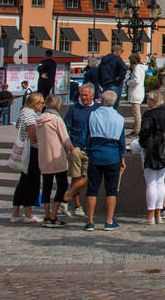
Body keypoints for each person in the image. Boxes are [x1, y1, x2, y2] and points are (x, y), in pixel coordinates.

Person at [83, 90, 126, 230]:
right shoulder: (119, 118)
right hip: (112, 155)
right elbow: (121, 141)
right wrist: (122, 158)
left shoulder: (93, 115)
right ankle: (109, 221)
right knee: (111, 190)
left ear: (101, 100)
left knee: (92, 189)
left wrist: (88, 149)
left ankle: (90, 221)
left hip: (96, 154)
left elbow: (87, 135)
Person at [138, 91, 165, 225]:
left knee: (151, 182)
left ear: (152, 101)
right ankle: (158, 214)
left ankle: (151, 214)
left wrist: (145, 143)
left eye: (148, 99)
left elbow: (144, 130)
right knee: (160, 181)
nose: (147, 102)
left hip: (152, 150)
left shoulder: (149, 114)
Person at [36, 94, 75, 227]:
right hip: (57, 157)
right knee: (62, 185)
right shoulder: (56, 119)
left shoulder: (39, 119)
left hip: (43, 156)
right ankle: (54, 215)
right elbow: (65, 139)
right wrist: (71, 149)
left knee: (46, 186)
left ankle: (46, 215)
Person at [63, 84, 98, 217]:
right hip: (76, 146)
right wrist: (71, 147)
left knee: (87, 177)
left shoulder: (97, 109)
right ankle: (77, 205)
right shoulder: (74, 109)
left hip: (90, 147)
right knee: (76, 176)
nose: (83, 97)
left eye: (85, 95)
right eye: (81, 95)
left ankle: (65, 198)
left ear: (92, 96)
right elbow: (66, 128)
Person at [10, 93, 43, 223]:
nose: (42, 105)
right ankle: (28, 213)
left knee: (23, 181)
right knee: (31, 181)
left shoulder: (23, 113)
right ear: (35, 104)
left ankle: (16, 211)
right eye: (41, 102)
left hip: (25, 150)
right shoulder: (30, 115)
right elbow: (33, 135)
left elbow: (18, 126)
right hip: (32, 151)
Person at [97, 45, 128, 110]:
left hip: (105, 84)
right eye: (121, 52)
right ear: (118, 52)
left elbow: (98, 72)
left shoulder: (104, 60)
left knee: (105, 105)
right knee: (113, 106)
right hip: (115, 84)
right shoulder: (117, 58)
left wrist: (102, 82)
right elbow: (124, 68)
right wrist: (120, 78)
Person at [125, 52, 147, 134]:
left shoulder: (137, 68)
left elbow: (136, 80)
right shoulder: (141, 68)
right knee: (136, 113)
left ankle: (137, 130)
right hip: (139, 92)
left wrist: (128, 82)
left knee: (136, 113)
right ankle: (136, 129)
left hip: (136, 92)